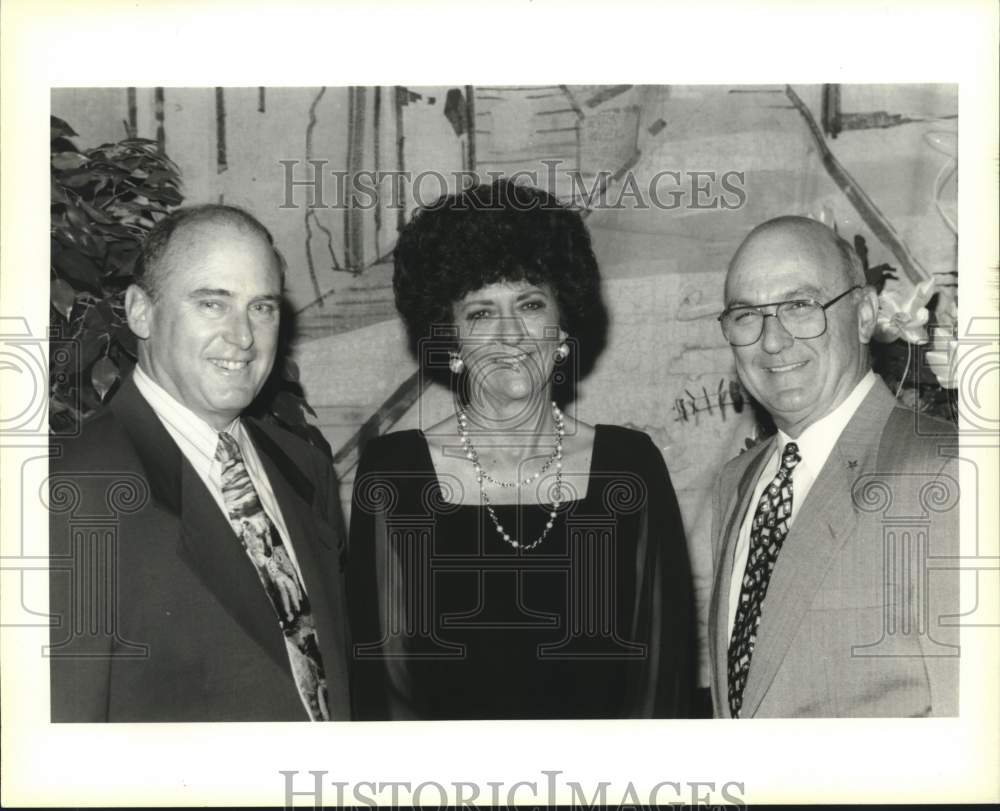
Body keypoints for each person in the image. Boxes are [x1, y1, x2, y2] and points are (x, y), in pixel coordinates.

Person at [347, 180, 695, 719]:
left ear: (560, 323)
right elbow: (387, 687)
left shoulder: (630, 467)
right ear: (451, 334)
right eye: (481, 313)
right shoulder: (394, 475)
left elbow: (660, 678)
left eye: (530, 304)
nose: (510, 335)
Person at [48, 205, 351, 721]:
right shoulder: (69, 490)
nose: (244, 338)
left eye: (262, 308)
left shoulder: (304, 468)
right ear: (141, 312)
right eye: (213, 304)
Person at [708, 215, 959, 718]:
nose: (772, 341)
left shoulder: (947, 474)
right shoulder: (736, 484)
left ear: (865, 314)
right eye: (746, 316)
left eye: (800, 307)